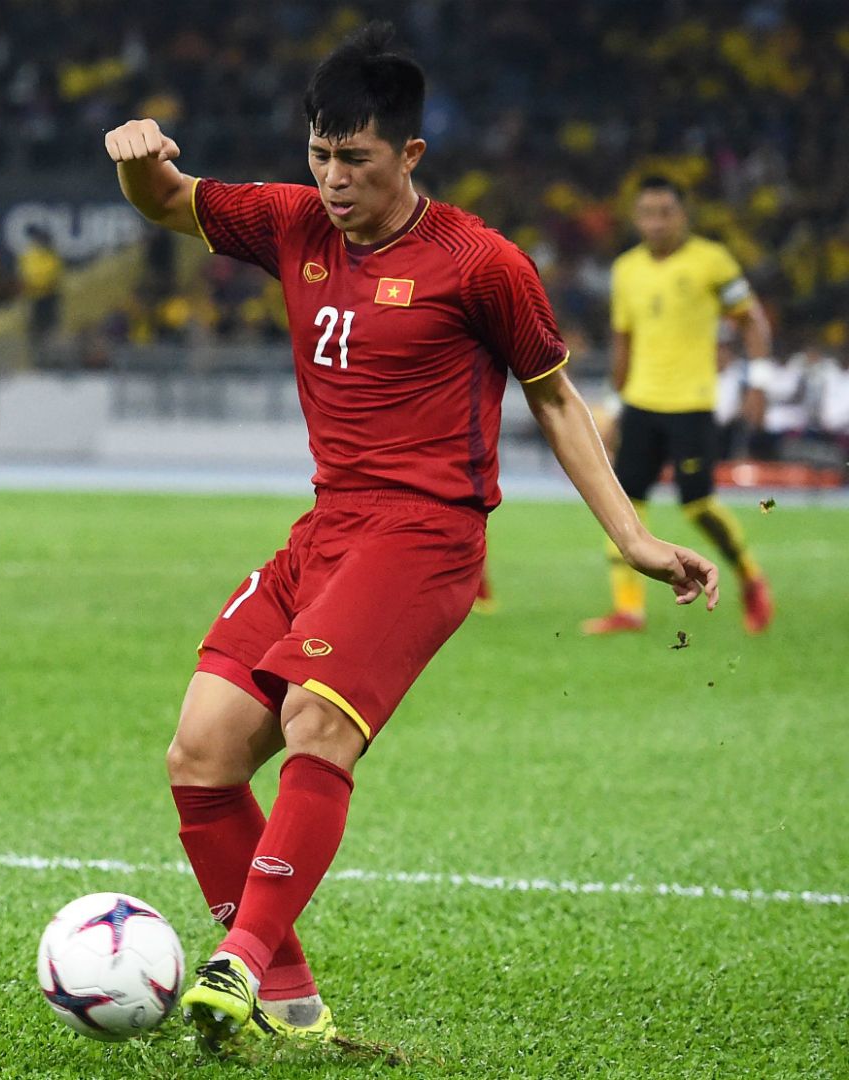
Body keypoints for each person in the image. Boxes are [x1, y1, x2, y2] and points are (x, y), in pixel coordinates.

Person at [106, 24, 720, 1050]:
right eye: (319, 154)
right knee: (200, 756)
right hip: (328, 528)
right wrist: (138, 167)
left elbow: (558, 402)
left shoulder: (482, 266)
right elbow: (170, 201)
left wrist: (634, 540)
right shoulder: (291, 224)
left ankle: (237, 962)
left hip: (427, 536)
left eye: (356, 159)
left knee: (316, 720)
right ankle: (293, 1005)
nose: (333, 181)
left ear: (409, 155)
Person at [582, 176, 774, 636]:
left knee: (698, 506)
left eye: (666, 212)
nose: (657, 222)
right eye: (648, 213)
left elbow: (752, 320)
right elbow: (623, 343)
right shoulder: (627, 268)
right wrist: (612, 405)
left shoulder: (712, 262)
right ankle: (628, 609)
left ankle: (750, 578)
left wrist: (758, 382)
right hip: (641, 403)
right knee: (625, 505)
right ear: (636, 218)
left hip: (691, 404)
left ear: (683, 215)